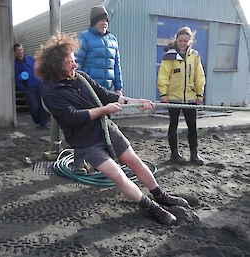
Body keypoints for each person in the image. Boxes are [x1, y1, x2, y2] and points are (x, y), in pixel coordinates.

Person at [35, 34, 189, 226]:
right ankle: (150, 207)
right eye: (70, 62)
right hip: (86, 142)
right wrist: (104, 110)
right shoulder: (50, 92)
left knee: (134, 161)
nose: (75, 65)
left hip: (106, 129)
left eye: (75, 60)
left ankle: (161, 196)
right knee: (117, 175)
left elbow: (105, 94)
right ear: (56, 65)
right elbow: (72, 117)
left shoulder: (81, 78)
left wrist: (135, 102)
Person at [157, 27, 206, 165]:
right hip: (172, 97)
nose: (183, 43)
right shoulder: (169, 56)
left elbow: (199, 75)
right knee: (173, 125)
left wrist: (199, 93)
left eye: (186, 40)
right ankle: (174, 154)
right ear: (176, 40)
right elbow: (163, 76)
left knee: (192, 126)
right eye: (180, 40)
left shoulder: (195, 56)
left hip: (190, 98)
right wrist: (164, 94)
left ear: (190, 41)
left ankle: (194, 154)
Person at [76, 5, 123, 96]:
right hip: (88, 91)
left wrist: (118, 88)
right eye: (101, 20)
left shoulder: (113, 40)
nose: (104, 23)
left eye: (106, 20)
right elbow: (77, 64)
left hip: (106, 92)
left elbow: (116, 66)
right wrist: (79, 88)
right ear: (94, 22)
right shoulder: (84, 38)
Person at [14, 43, 48, 128]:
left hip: (39, 84)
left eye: (21, 50)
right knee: (34, 107)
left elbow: (38, 67)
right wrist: (23, 87)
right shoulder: (16, 64)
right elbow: (17, 78)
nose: (20, 52)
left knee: (43, 104)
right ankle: (37, 120)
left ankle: (43, 123)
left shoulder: (29, 58)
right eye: (18, 50)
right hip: (29, 88)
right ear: (15, 52)